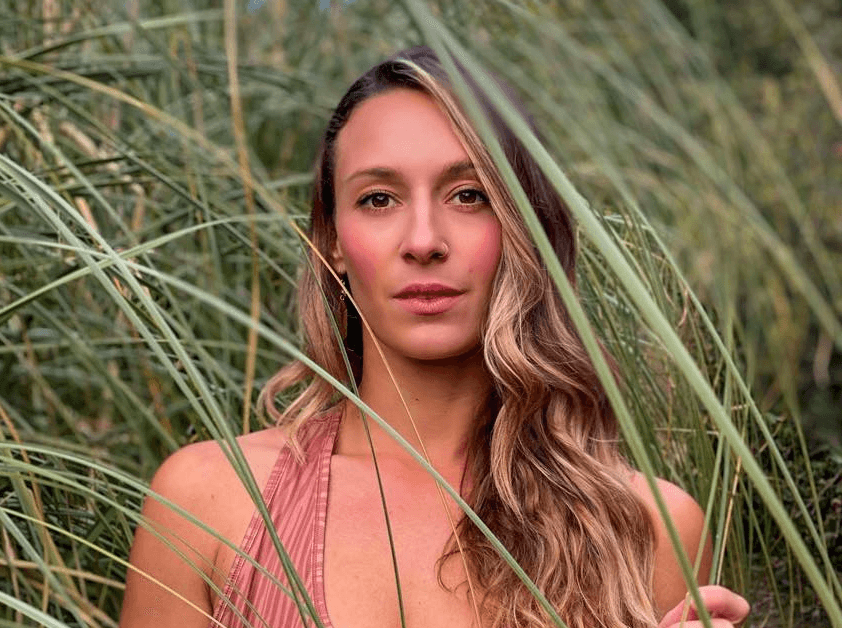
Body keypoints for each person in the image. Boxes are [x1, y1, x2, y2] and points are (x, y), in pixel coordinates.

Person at [119, 46, 750, 628]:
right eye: (379, 199)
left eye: (469, 195)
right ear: (332, 240)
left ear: (523, 227)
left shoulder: (650, 529)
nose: (424, 241)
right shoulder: (209, 502)